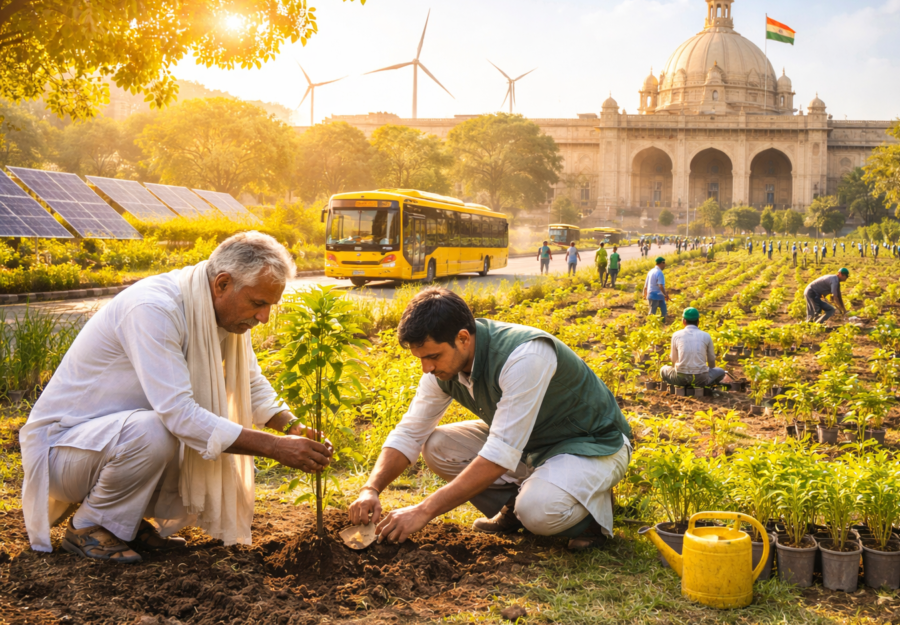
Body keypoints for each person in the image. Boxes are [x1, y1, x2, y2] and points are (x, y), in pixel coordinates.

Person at [19, 233, 332, 562]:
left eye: (270, 305)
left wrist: (292, 427)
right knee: (158, 431)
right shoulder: (155, 308)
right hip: (64, 451)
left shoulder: (220, 315)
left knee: (198, 439)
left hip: (105, 445)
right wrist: (274, 447)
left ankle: (122, 523)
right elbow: (179, 414)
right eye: (258, 303)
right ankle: (90, 525)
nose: (264, 316)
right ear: (222, 284)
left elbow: (250, 382)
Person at [346, 289, 632, 551]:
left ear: (463, 338)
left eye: (432, 356)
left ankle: (590, 517)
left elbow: (499, 455)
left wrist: (423, 511)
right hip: (530, 445)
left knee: (538, 511)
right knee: (437, 446)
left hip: (591, 444)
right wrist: (371, 488)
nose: (426, 368)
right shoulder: (440, 370)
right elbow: (410, 433)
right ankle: (514, 507)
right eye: (420, 358)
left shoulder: (524, 356)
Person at [660, 308, 726, 388]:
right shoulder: (706, 336)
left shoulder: (676, 335)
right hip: (702, 378)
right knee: (721, 372)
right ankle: (707, 385)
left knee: (663, 369)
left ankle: (677, 385)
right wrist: (710, 370)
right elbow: (711, 359)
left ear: (684, 321)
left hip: (680, 378)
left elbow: (674, 360)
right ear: (698, 322)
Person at [642, 256, 669, 322]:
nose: (665, 265)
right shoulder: (659, 273)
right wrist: (665, 295)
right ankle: (649, 324)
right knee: (652, 313)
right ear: (661, 263)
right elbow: (661, 286)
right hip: (655, 295)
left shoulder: (651, 271)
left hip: (656, 295)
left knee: (664, 311)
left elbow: (646, 285)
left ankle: (663, 324)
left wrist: (645, 293)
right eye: (664, 263)